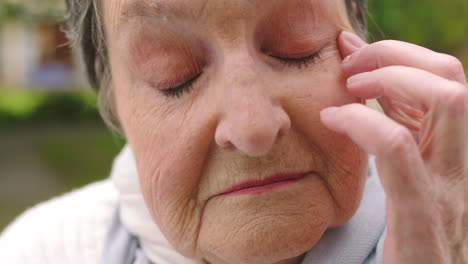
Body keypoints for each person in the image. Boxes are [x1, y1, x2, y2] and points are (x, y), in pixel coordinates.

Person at [1, 0, 466, 263]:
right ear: (113, 100)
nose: (254, 128)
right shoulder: (43, 251)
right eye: (174, 75)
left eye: (297, 49)